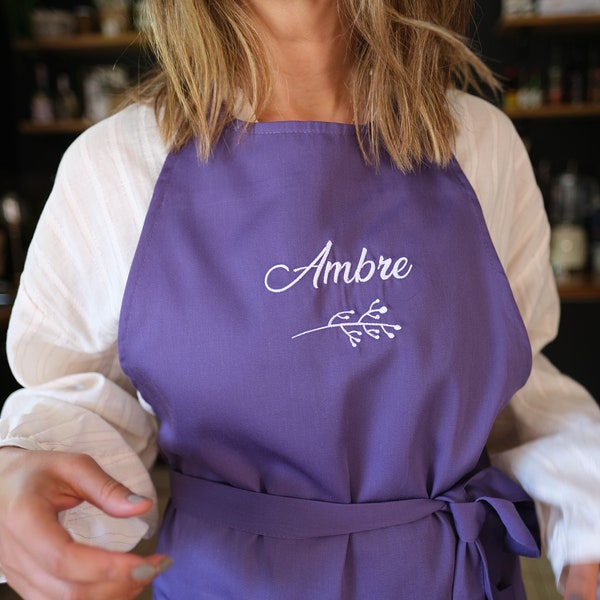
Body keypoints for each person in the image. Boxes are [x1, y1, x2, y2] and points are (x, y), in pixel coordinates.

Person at [0, 0, 599, 598]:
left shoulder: (483, 145)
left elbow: (520, 386)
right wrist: (22, 466)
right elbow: (81, 397)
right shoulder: (116, 167)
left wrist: (589, 527)